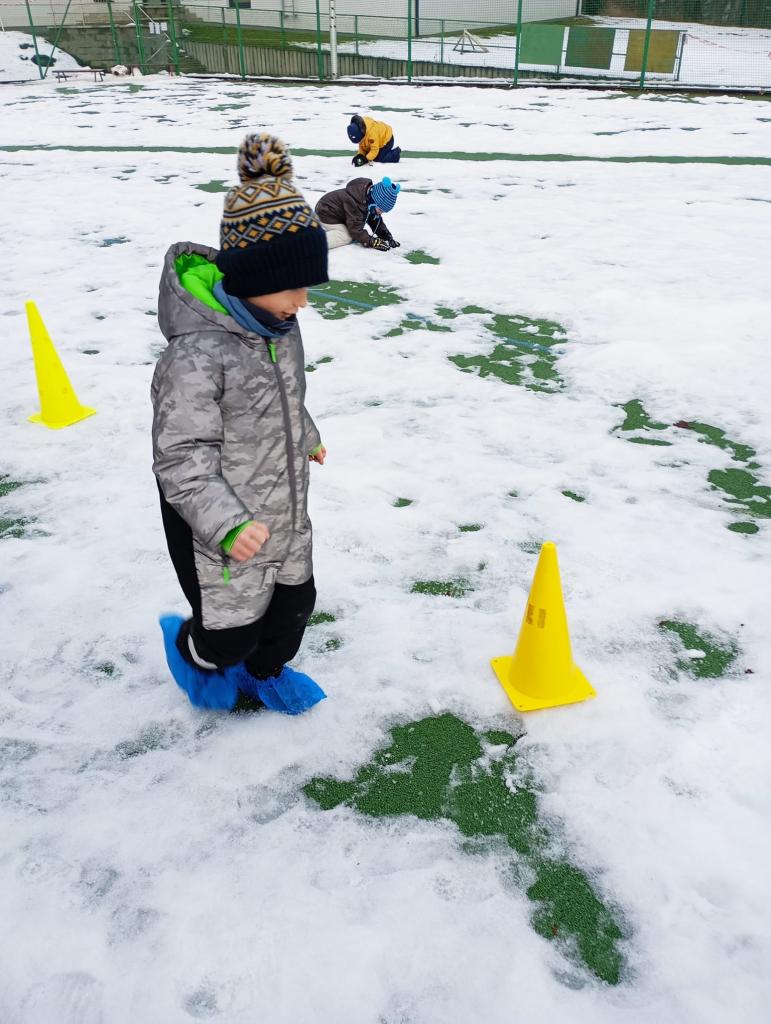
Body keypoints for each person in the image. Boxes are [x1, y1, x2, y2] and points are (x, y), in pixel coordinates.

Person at [152, 132, 329, 715]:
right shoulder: (196, 355)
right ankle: (194, 653)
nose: (303, 301)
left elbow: (283, 398)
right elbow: (181, 456)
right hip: (221, 525)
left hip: (285, 508)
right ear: (252, 279)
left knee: (293, 607)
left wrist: (306, 435)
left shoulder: (278, 327)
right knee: (229, 631)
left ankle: (265, 672)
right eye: (293, 287)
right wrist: (227, 525)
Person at [315, 176, 401, 252]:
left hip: (338, 214)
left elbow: (375, 220)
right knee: (346, 236)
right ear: (374, 201)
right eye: (380, 210)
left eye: (383, 211)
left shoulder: (367, 199)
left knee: (352, 231)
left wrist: (387, 236)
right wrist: (371, 241)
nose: (380, 213)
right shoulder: (354, 202)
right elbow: (355, 230)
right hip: (326, 212)